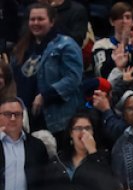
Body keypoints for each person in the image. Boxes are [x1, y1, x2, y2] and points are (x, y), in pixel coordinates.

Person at [11, 3, 83, 135]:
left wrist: (45, 95)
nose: (35, 23)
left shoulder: (67, 45)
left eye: (40, 19)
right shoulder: (21, 47)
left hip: (56, 119)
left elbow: (73, 79)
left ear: (52, 21)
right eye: (32, 19)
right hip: (26, 118)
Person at [92, 2, 133, 79]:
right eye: (120, 18)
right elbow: (100, 73)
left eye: (128, 17)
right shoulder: (101, 45)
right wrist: (123, 43)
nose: (124, 21)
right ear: (112, 22)